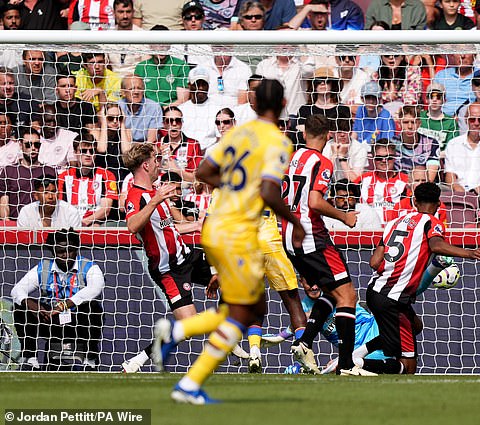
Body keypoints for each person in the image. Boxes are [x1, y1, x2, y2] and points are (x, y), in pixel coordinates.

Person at [153, 79, 305, 404]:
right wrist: (294, 221)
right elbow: (268, 191)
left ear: (254, 104)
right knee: (243, 314)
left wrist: (234, 185)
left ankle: (187, 377)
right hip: (239, 231)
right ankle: (178, 339)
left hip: (214, 227)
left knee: (247, 310)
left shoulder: (237, 135)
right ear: (281, 105)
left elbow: (203, 173)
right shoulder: (278, 141)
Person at [363, 182, 480, 374]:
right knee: (408, 367)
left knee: (415, 326)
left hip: (375, 291)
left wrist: (396, 268)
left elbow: (374, 262)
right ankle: (353, 363)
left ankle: (355, 354)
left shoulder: (394, 223)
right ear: (439, 204)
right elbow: (437, 245)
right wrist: (468, 253)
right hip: (393, 299)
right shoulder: (432, 222)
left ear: (414, 201)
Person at [280, 113, 363, 376]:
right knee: (348, 295)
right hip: (311, 237)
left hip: (288, 237)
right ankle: (347, 365)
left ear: (304, 135)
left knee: (332, 292)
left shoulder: (292, 158)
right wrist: (345, 216)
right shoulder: (322, 161)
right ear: (328, 136)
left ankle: (304, 342)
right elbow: (315, 202)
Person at [119, 142, 211, 373]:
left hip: (187, 257)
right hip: (168, 270)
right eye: (156, 159)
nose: (159, 164)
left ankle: (235, 341)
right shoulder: (136, 195)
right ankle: (139, 359)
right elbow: (131, 226)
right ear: (147, 164)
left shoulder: (155, 193)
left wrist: (198, 224)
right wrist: (155, 201)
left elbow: (171, 229)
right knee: (189, 326)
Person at [11, 228, 104, 370]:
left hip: (76, 320)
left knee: (94, 309)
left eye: (71, 250)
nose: (66, 255)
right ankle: (30, 359)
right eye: (61, 252)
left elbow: (96, 287)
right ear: (53, 252)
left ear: (76, 249)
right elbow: (17, 290)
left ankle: (89, 359)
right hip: (50, 320)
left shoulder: (88, 266)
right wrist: (32, 305)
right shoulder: (44, 267)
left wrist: (63, 306)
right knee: (20, 307)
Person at [57, 135, 118, 227]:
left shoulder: (107, 175)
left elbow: (106, 210)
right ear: (75, 153)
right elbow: (61, 206)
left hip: (95, 222)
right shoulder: (64, 176)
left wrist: (85, 221)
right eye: (83, 151)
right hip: (69, 223)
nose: (88, 154)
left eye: (92, 151)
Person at [444, 102, 480, 194]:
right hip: (458, 194)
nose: (476, 123)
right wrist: (457, 188)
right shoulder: (453, 144)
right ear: (466, 120)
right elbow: (450, 175)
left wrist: (475, 192)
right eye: (472, 119)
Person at [0, 128, 56, 221]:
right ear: (21, 145)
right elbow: (3, 204)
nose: (33, 148)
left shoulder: (49, 172)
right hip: (16, 226)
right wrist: (9, 226)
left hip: (43, 226)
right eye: (28, 145)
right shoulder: (9, 171)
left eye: (37, 144)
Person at [134, 26, 190, 107]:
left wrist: (163, 111)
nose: (161, 46)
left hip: (172, 111)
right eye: (157, 42)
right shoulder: (141, 67)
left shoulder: (180, 65)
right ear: (150, 45)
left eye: (165, 42)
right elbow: (137, 96)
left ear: (170, 44)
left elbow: (182, 100)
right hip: (147, 111)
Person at [356, 140, 409, 224]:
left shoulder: (406, 182)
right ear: (373, 158)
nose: (384, 161)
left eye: (389, 158)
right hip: (368, 229)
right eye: (379, 158)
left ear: (395, 158)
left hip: (396, 228)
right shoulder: (362, 180)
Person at [157, 106, 204, 183]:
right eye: (169, 121)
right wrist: (159, 159)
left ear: (182, 123)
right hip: (162, 188)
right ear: (164, 124)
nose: (174, 124)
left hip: (186, 189)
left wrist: (176, 170)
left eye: (178, 120)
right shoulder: (157, 145)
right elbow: (151, 176)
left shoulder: (193, 144)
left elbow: (196, 179)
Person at [17, 175, 82, 228]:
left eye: (53, 192)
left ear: (58, 193)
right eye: (46, 193)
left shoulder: (70, 212)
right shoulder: (26, 212)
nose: (50, 196)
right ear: (36, 195)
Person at [179, 67, 219, 151]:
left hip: (210, 155)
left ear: (208, 86)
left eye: (203, 84)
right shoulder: (181, 110)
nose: (200, 88)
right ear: (189, 85)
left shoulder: (218, 109)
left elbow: (220, 139)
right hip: (185, 154)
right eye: (197, 84)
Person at [118, 74, 162, 144]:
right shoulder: (118, 107)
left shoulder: (154, 107)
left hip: (146, 148)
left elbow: (151, 141)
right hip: (123, 146)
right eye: (131, 89)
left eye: (139, 88)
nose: (136, 92)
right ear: (123, 92)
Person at [38, 104, 78, 170]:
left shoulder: (69, 137)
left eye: (55, 121)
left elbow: (73, 167)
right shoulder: (33, 137)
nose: (53, 125)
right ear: (40, 122)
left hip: (61, 177)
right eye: (48, 122)